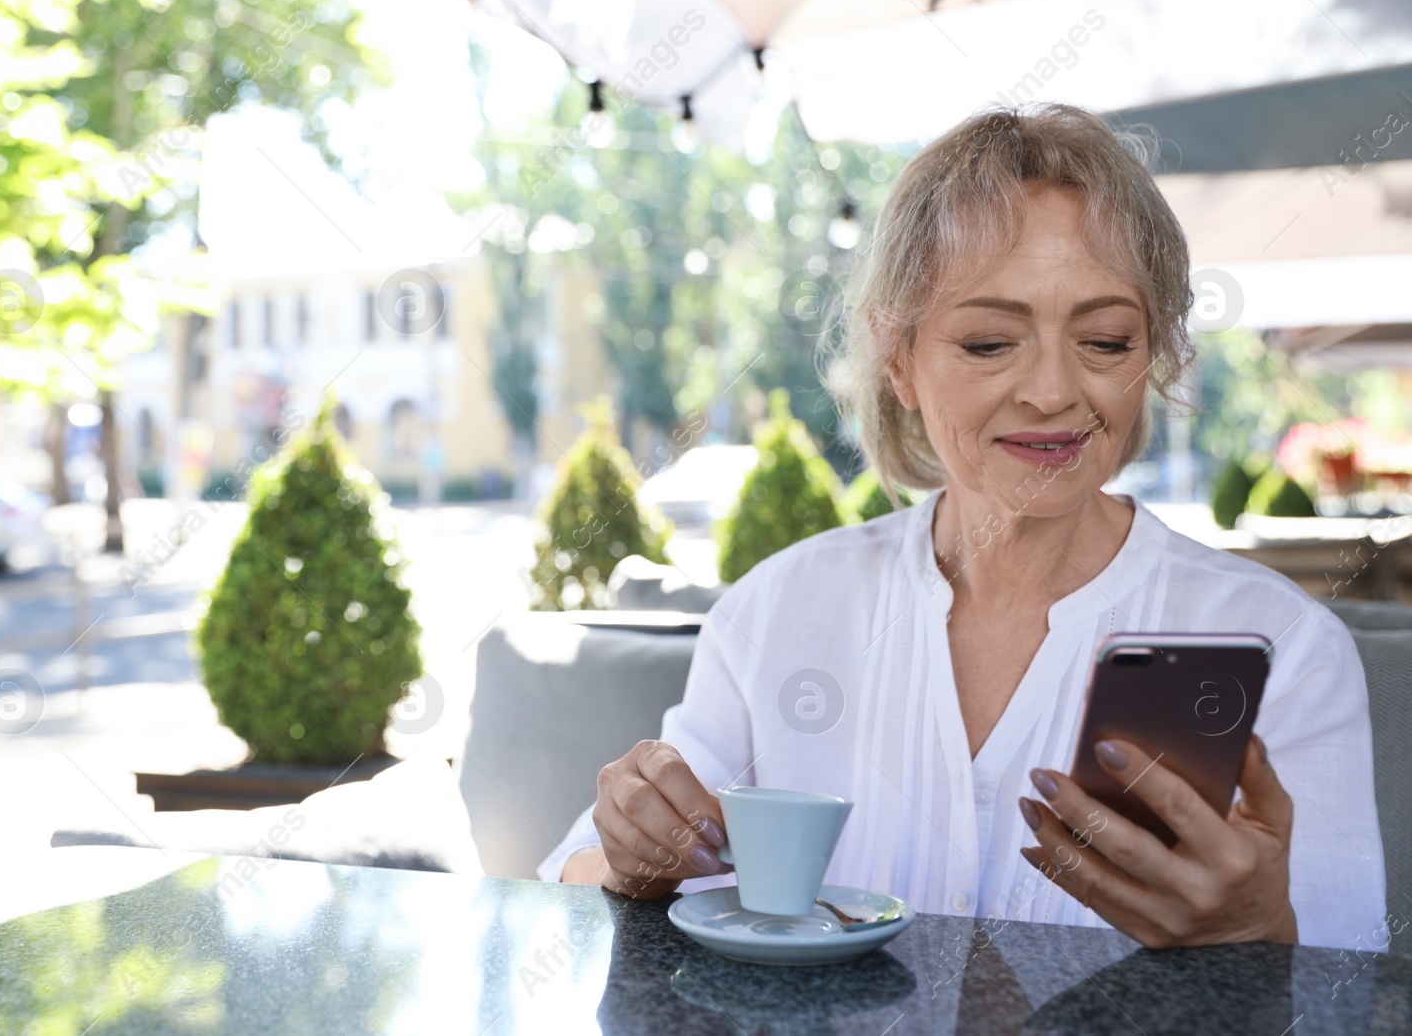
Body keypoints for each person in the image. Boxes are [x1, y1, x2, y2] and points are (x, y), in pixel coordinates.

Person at [540, 103, 1388, 952]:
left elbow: (1351, 995)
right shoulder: (778, 610)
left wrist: (1260, 931)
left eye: (1104, 339)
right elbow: (582, 870)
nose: (1054, 390)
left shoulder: (1287, 646)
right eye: (989, 343)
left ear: (1153, 352)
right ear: (899, 356)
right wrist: (630, 858)